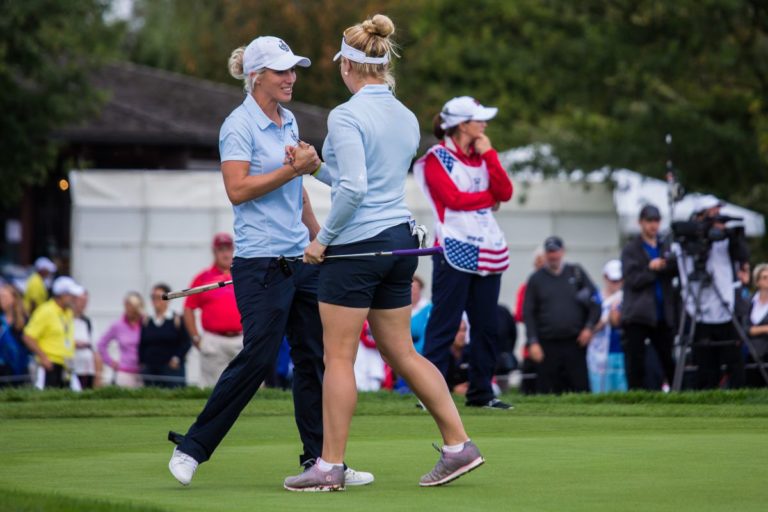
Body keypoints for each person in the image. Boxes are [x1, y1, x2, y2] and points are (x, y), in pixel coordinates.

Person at [285, 14, 483, 491]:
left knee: (338, 357)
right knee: (402, 350)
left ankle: (329, 465)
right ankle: (459, 446)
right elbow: (364, 183)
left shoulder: (346, 115)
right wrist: (313, 169)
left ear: (348, 65)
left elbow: (353, 191)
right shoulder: (406, 115)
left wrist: (321, 240)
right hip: (397, 243)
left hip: (356, 249)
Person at [168, 36, 373, 488]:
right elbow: (237, 189)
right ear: (256, 76)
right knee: (259, 358)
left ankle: (320, 462)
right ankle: (192, 448)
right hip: (259, 262)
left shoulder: (289, 119)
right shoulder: (236, 125)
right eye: (282, 71)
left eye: (293, 69)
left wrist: (321, 235)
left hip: (301, 258)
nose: (291, 78)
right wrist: (293, 169)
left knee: (312, 359)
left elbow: (295, 191)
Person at [412, 94, 514, 410]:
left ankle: (481, 392)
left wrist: (491, 153)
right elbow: (453, 200)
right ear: (461, 126)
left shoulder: (483, 156)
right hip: (454, 248)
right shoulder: (435, 159)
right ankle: (430, 394)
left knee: (486, 325)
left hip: (487, 248)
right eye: (478, 119)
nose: (484, 124)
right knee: (445, 322)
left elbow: (506, 193)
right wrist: (488, 198)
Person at [676, 195, 749, 389]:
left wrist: (729, 236)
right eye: (712, 212)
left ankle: (739, 394)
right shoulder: (690, 235)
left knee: (734, 356)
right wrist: (706, 234)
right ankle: (706, 395)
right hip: (699, 307)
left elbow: (742, 255)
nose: (717, 216)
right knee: (705, 361)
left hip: (725, 304)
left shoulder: (724, 237)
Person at [523, 236, 601, 394]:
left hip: (575, 343)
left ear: (563, 252)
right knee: (548, 391)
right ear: (545, 254)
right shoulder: (536, 279)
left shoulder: (576, 273)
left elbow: (596, 303)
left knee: (580, 389)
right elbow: (528, 313)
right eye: (550, 252)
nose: (553, 256)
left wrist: (589, 327)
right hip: (547, 344)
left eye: (556, 251)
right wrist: (532, 342)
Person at [620, 204, 678, 390]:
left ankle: (678, 393)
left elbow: (676, 270)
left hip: (662, 314)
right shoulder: (631, 249)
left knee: (668, 359)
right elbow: (632, 279)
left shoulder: (665, 246)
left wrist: (664, 266)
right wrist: (651, 269)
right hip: (638, 315)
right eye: (649, 221)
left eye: (656, 221)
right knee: (635, 362)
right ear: (641, 223)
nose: (653, 225)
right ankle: (636, 396)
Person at [183, 233, 242, 387]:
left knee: (246, 386)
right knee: (212, 387)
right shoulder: (203, 278)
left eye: (228, 249)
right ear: (214, 252)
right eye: (221, 249)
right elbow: (189, 308)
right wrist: (196, 337)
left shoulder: (243, 274)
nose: (225, 253)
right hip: (214, 340)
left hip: (241, 338)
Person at [22, 276, 83, 389]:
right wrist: (43, 357)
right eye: (71, 296)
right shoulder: (45, 311)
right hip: (50, 364)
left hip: (66, 364)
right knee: (48, 399)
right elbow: (28, 336)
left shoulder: (67, 312)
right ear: (61, 295)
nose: (74, 299)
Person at [140, 283, 191, 388]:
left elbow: (186, 342)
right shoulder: (147, 320)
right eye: (153, 297)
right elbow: (142, 344)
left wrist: (176, 358)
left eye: (159, 297)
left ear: (168, 298)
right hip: (151, 369)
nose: (155, 300)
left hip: (171, 369)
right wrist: (142, 361)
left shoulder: (177, 319)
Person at [587, 259, 627, 393]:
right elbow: (589, 328)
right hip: (598, 354)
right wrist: (604, 319)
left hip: (620, 351)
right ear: (605, 277)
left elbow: (619, 323)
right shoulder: (595, 298)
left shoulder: (626, 298)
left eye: (619, 280)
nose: (616, 284)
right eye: (613, 280)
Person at [97, 291, 144, 388]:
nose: (129, 308)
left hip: (143, 371)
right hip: (124, 372)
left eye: (132, 305)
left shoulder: (146, 323)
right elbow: (101, 344)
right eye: (127, 305)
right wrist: (111, 362)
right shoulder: (118, 325)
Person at [1, 284, 29, 386]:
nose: (1, 299)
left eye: (4, 296)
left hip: (19, 364)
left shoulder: (24, 320)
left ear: (14, 298)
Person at [72, 289, 101, 389]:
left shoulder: (89, 323)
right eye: (80, 300)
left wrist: (98, 374)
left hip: (87, 370)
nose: (83, 304)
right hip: (71, 369)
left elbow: (96, 350)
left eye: (85, 301)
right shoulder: (65, 321)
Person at [746, 263, 768, 387]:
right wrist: (764, 328)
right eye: (764, 277)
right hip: (751, 351)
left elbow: (749, 329)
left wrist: (754, 330)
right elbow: (744, 328)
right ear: (757, 281)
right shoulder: (749, 302)